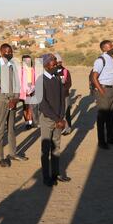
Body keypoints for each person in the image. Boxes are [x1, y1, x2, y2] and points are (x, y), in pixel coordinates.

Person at [0, 44, 28, 168]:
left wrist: (16, 98)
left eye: (11, 51)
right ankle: (0, 157)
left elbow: (17, 83)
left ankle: (13, 153)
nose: (9, 53)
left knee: (12, 128)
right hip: (3, 101)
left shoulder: (12, 64)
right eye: (6, 52)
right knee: (0, 129)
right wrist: (8, 100)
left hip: (13, 100)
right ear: (1, 52)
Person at [39, 54, 71, 187]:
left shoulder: (57, 79)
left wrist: (62, 117)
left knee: (56, 147)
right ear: (46, 66)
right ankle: (46, 176)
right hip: (48, 119)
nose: (55, 67)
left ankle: (56, 173)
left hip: (58, 119)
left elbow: (62, 100)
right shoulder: (41, 80)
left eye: (56, 64)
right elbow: (43, 104)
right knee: (46, 149)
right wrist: (57, 118)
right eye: (53, 65)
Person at [91, 40, 113, 150]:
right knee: (102, 117)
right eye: (111, 46)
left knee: (111, 116)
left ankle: (110, 138)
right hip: (104, 90)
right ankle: (101, 141)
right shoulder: (100, 60)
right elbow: (94, 77)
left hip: (112, 89)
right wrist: (101, 91)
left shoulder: (111, 59)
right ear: (104, 49)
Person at [55, 54, 73, 135]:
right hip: (55, 97)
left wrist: (62, 91)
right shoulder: (52, 72)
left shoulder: (66, 71)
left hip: (65, 95)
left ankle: (68, 128)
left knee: (66, 112)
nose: (58, 63)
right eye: (57, 62)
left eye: (60, 62)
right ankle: (59, 128)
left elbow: (69, 83)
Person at [19, 55, 36, 130]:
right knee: (26, 107)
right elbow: (19, 81)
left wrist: (32, 89)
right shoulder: (21, 70)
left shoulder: (33, 70)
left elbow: (35, 80)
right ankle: (27, 122)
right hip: (24, 92)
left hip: (32, 91)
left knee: (31, 107)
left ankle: (31, 121)